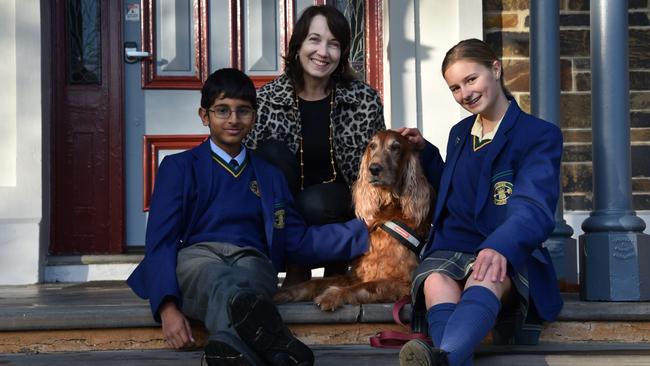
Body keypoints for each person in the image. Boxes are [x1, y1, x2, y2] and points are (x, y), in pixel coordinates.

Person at [127, 68, 370, 366]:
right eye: (222, 110)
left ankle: (228, 347)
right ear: (204, 115)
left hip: (252, 258)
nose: (233, 119)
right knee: (221, 279)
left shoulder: (269, 176)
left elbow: (297, 240)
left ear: (254, 117)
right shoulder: (179, 168)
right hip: (196, 260)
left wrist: (366, 231)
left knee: (249, 279)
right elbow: (160, 242)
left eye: (243, 111)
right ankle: (275, 345)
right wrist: (167, 308)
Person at [397, 38, 564, 366]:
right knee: (435, 282)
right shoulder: (459, 132)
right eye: (455, 88)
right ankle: (447, 358)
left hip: (505, 248)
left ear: (496, 69)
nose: (465, 94)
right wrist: (425, 152)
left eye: (471, 79)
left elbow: (533, 204)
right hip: (452, 246)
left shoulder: (538, 134)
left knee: (485, 274)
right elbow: (459, 189)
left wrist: (501, 246)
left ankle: (441, 358)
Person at [244, 5, 385, 286]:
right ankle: (295, 263)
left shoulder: (363, 99)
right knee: (270, 154)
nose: (323, 52)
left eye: (333, 44)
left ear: (342, 54)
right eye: (315, 39)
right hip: (283, 205)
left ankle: (328, 265)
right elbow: (248, 163)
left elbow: (378, 161)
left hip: (339, 199)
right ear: (298, 45)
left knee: (314, 202)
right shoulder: (266, 99)